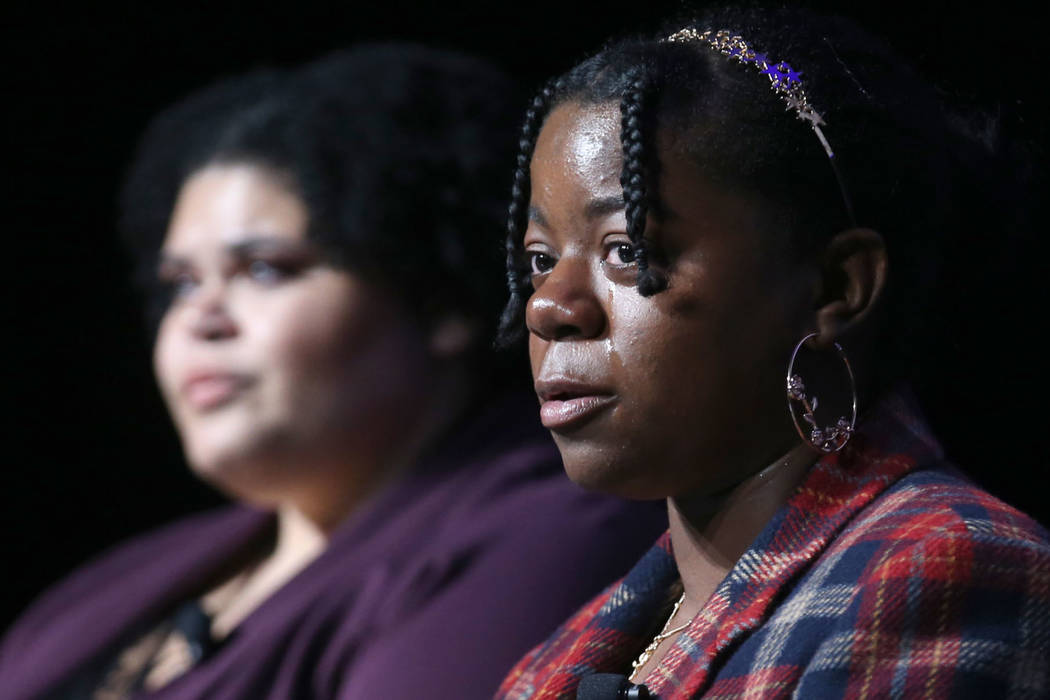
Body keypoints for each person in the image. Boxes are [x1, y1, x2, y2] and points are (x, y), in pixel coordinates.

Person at [0, 44, 665, 699]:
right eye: (179, 283)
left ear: (438, 299)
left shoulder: (546, 536)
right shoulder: (121, 582)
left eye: (265, 268)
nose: (198, 320)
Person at [493, 7, 1050, 699]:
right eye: (540, 260)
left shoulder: (941, 574)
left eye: (628, 250)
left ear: (834, 285)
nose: (550, 307)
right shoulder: (549, 667)